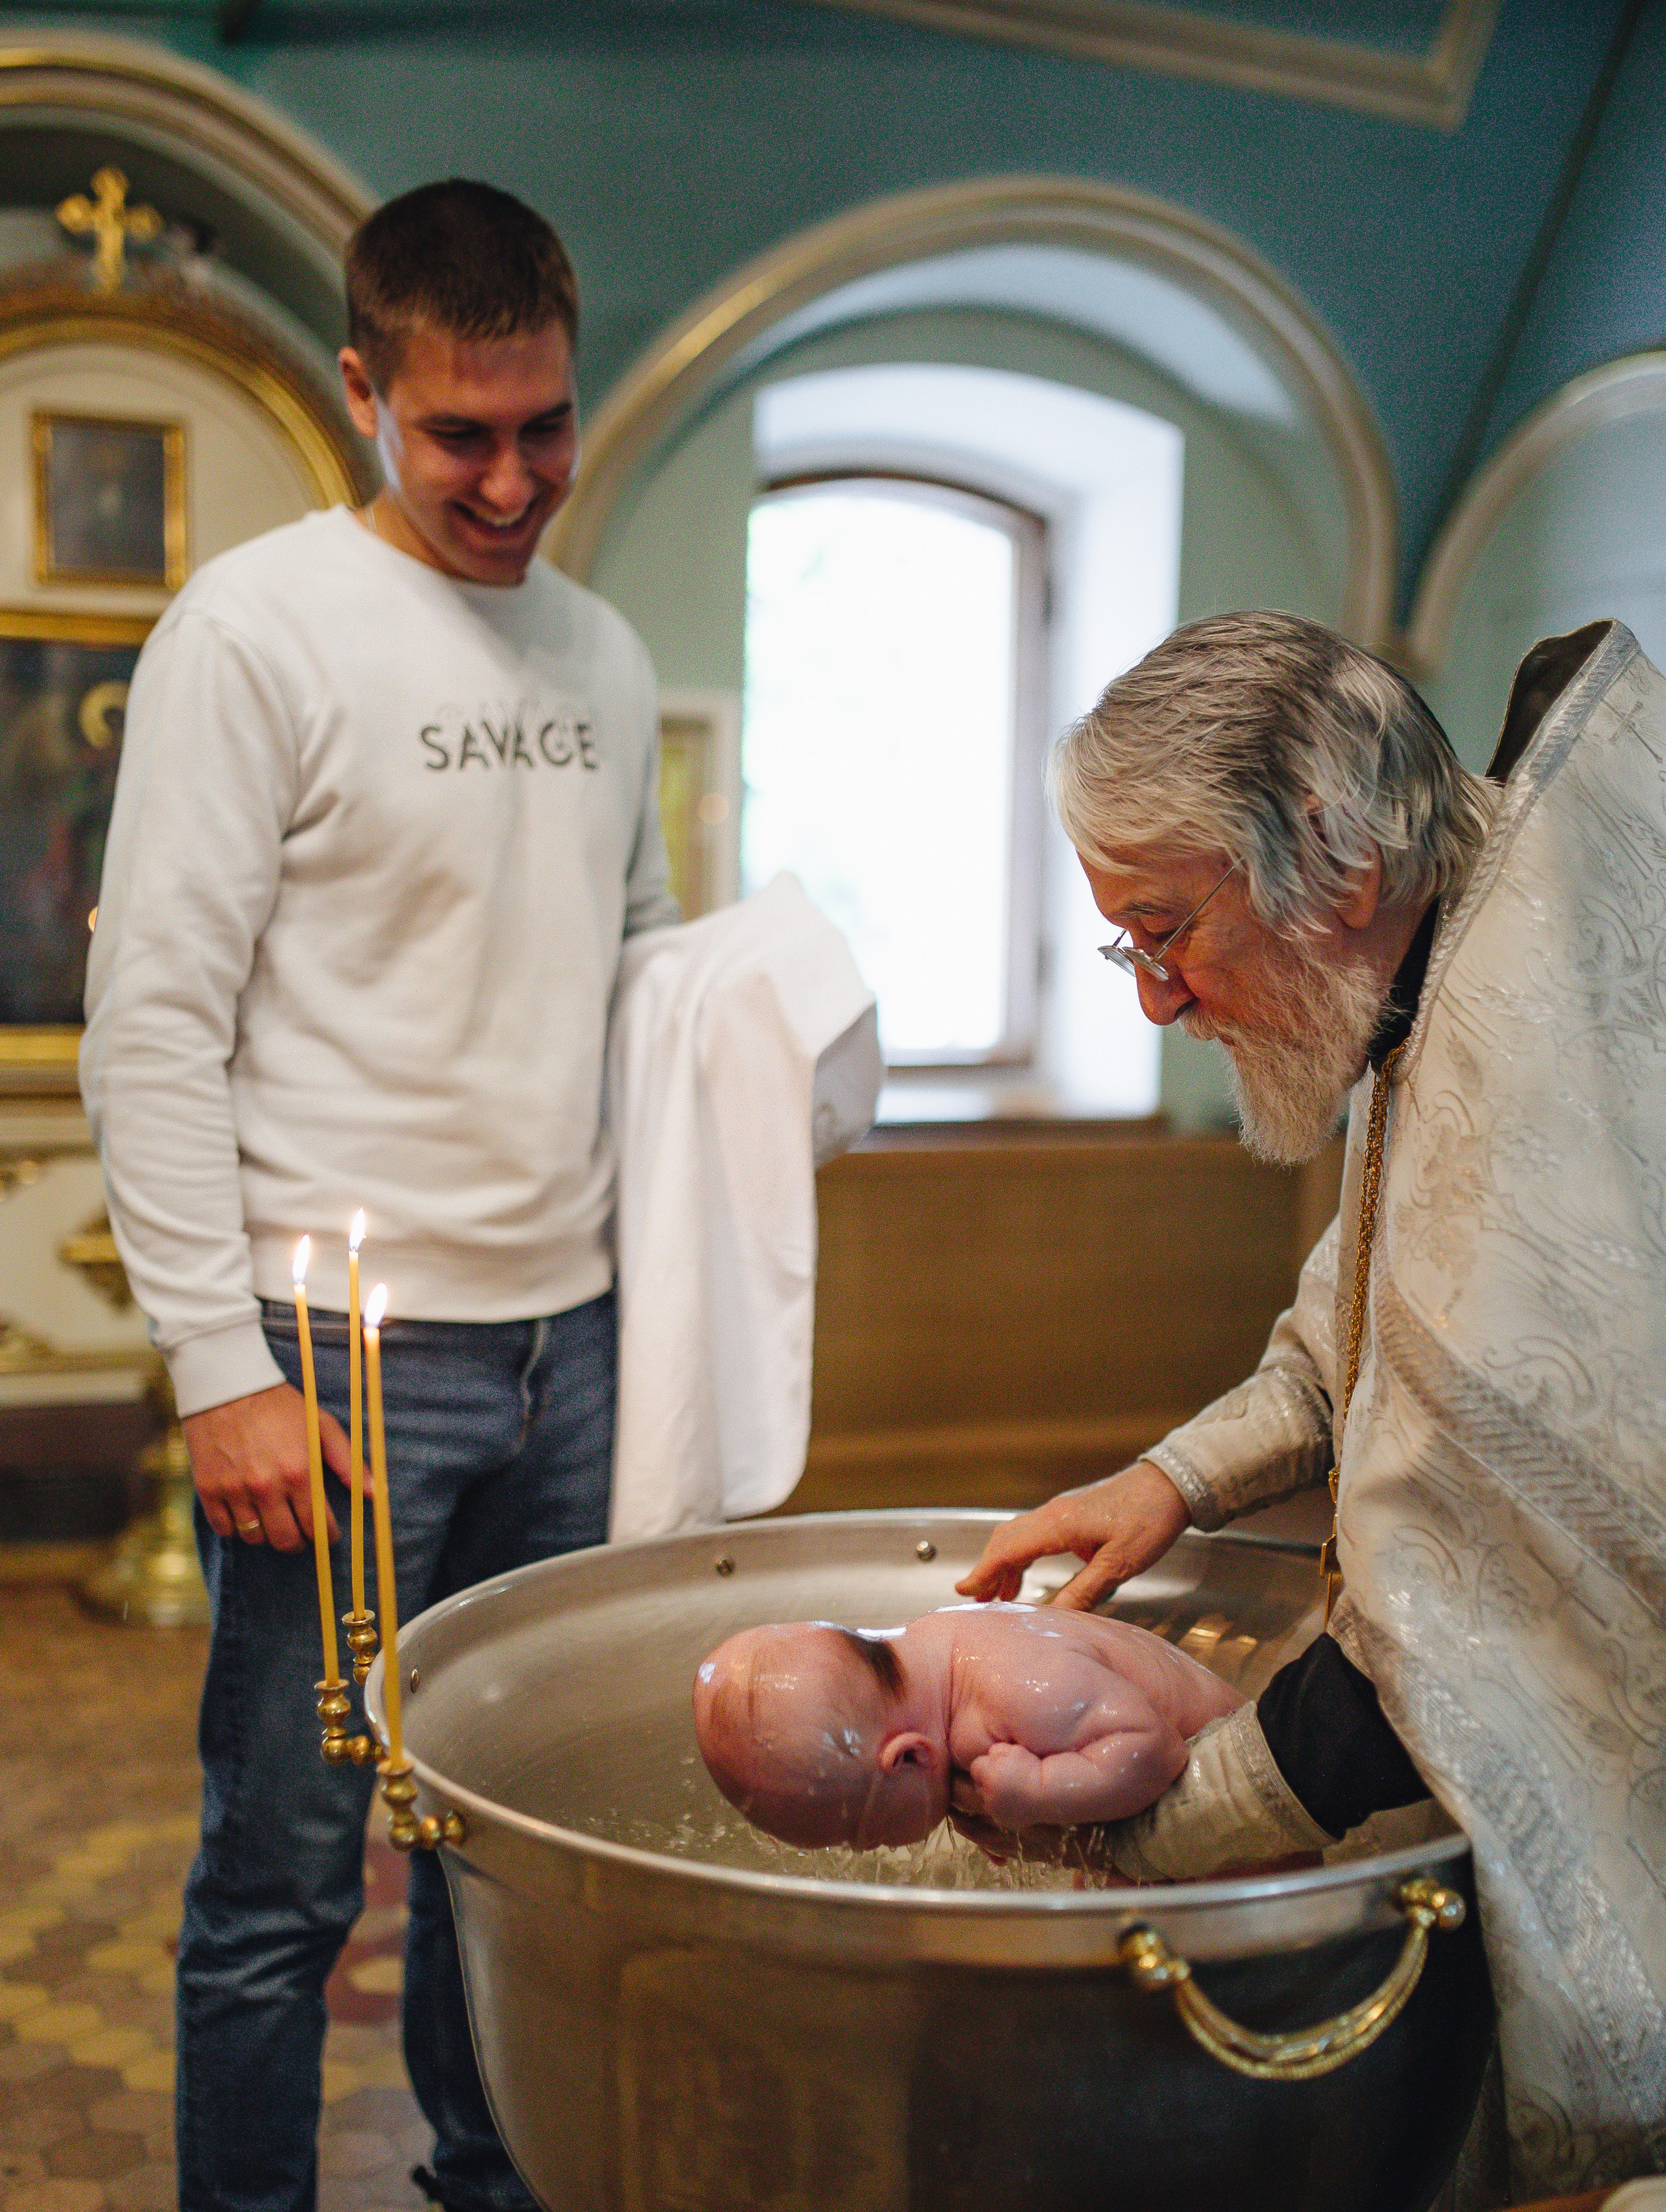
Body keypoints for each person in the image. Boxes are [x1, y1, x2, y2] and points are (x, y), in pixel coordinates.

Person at [81, 180, 676, 2212]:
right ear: (361, 392)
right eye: (460, 434)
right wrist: (214, 1362)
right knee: (285, 1876)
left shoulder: (600, 649)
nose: (512, 480)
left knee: (504, 1848)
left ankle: (485, 2183)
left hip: (569, 1344)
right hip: (342, 1356)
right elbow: (150, 1017)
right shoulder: (254, 629)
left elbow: (642, 966)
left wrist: (780, 1068)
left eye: (544, 425)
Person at [957, 611, 1665, 2201]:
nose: (1154, 1003)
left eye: (1163, 934)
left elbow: (1418, 1681)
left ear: (1337, 862)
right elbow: (1369, 1285)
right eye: (1119, 948)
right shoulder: (1488, 903)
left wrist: (1120, 1847)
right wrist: (1177, 1477)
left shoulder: (1521, 1142)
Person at [693, 1604, 1242, 1847]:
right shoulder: (938, 1655)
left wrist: (1037, 1792)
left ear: (909, 1757)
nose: (869, 1852)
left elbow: (1155, 1751)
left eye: (866, 1837)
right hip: (1193, 1826)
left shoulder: (1019, 1687)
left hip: (1251, 1830)